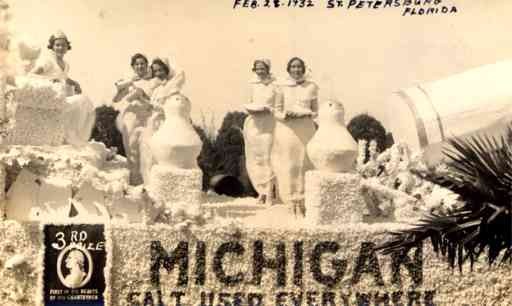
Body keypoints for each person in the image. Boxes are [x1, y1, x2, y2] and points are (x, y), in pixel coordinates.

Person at [30, 31, 96, 147]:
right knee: (83, 100)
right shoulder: (48, 61)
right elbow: (31, 75)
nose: (60, 48)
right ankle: (72, 136)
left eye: (63, 45)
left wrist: (74, 83)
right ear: (52, 47)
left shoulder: (66, 64)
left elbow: (62, 77)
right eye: (57, 45)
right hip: (48, 97)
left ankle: (74, 135)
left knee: (85, 103)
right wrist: (49, 81)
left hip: (60, 97)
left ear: (67, 47)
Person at [271, 57, 318, 216]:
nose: (296, 70)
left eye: (299, 67)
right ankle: (290, 201)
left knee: (305, 163)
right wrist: (286, 115)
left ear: (303, 69)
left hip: (306, 128)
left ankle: (304, 200)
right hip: (287, 128)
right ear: (289, 69)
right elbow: (276, 111)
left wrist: (306, 114)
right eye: (293, 67)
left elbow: (315, 111)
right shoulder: (280, 86)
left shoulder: (311, 86)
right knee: (289, 164)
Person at [112, 53, 158, 185]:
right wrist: (121, 88)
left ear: (147, 65)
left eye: (142, 63)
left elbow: (155, 101)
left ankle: (149, 183)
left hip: (147, 117)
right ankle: (135, 182)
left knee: (148, 148)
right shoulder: (129, 81)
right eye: (137, 64)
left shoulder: (153, 82)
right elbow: (115, 99)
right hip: (131, 117)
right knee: (131, 148)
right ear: (133, 67)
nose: (140, 66)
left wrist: (141, 94)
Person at [138, 57, 185, 184]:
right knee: (149, 153)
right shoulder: (156, 89)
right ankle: (151, 184)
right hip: (153, 122)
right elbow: (152, 105)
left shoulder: (172, 88)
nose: (158, 73)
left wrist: (150, 105)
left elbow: (168, 108)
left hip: (165, 123)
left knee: (164, 154)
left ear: (166, 70)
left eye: (160, 70)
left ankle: (166, 184)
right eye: (155, 71)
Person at [243, 59, 277, 205]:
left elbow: (279, 105)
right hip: (253, 124)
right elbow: (247, 102)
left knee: (268, 158)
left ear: (268, 69)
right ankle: (261, 192)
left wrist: (268, 109)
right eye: (257, 68)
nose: (260, 71)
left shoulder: (276, 84)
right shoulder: (251, 85)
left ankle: (270, 191)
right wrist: (251, 108)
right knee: (255, 159)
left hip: (269, 123)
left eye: (262, 68)